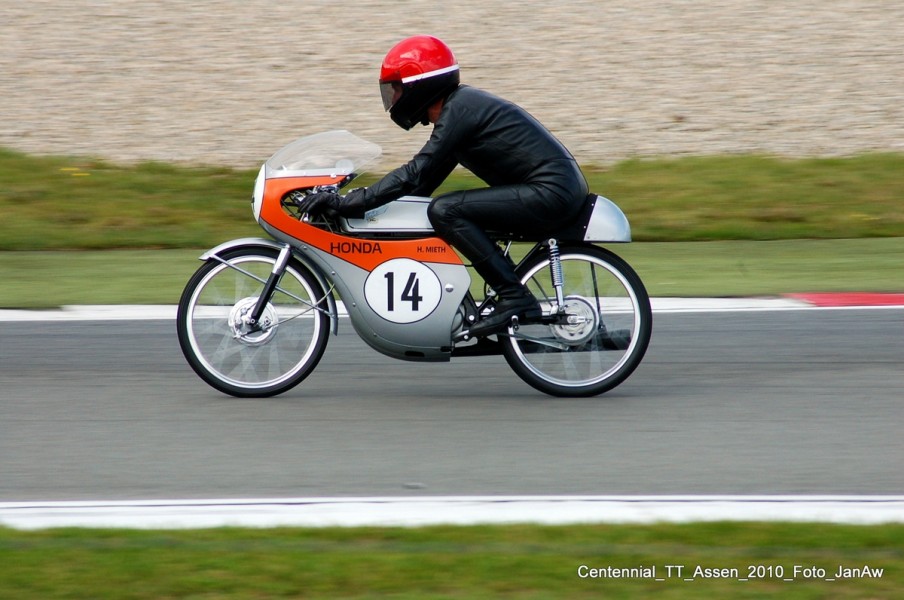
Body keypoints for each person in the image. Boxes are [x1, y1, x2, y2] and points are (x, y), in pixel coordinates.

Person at [298, 35, 590, 337]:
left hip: (552, 192)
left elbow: (414, 172)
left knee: (446, 210)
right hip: (553, 190)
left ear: (418, 85)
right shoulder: (459, 111)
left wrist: (348, 202)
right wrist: (370, 216)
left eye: (396, 89)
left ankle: (515, 297)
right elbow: (421, 184)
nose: (393, 98)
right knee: (436, 208)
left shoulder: (460, 110)